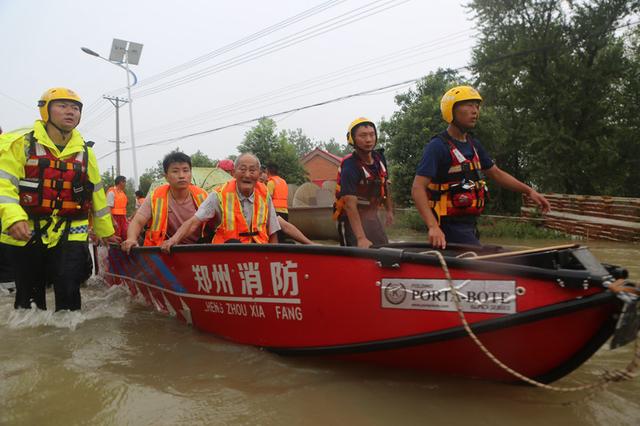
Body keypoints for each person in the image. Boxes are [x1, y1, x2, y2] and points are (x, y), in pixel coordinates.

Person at [0, 87, 118, 311]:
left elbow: (96, 193)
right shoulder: (20, 143)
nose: (70, 112)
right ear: (45, 111)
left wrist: (105, 231)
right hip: (27, 227)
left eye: (75, 108)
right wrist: (13, 218)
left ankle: (68, 337)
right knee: (30, 297)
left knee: (69, 286)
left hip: (71, 228)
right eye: (62, 106)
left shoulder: (85, 151)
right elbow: (3, 185)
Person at [411, 85, 551, 248]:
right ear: (451, 110)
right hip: (448, 227)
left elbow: (497, 174)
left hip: (469, 225)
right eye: (469, 105)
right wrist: (433, 227)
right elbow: (417, 188)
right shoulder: (437, 146)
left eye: (477, 106)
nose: (475, 111)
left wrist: (529, 191)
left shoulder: (474, 145)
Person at [161, 153, 281, 252]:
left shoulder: (264, 194)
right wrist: (174, 239)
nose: (247, 175)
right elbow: (194, 222)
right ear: (233, 173)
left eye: (252, 170)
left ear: (259, 174)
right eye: (242, 169)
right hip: (227, 254)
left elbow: (273, 231)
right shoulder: (218, 194)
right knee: (233, 245)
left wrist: (274, 257)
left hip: (259, 252)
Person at [121, 152, 209, 253]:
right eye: (175, 171)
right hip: (164, 251)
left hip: (199, 249)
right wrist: (131, 238)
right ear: (166, 176)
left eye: (186, 170)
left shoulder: (203, 196)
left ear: (190, 173)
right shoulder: (155, 196)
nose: (181, 176)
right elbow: (137, 221)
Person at [333, 117, 394, 248]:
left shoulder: (379, 158)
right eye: (363, 135)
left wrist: (389, 210)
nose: (368, 140)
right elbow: (349, 205)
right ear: (352, 139)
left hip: (371, 216)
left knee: (385, 251)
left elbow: (385, 185)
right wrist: (361, 238)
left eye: (372, 135)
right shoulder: (350, 166)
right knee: (354, 259)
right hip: (349, 219)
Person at [106, 175, 129, 240]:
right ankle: (115, 250)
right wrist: (113, 221)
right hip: (115, 218)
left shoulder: (122, 193)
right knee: (116, 237)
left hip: (123, 218)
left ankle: (123, 250)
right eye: (124, 182)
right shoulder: (111, 192)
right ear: (120, 182)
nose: (125, 184)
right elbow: (108, 209)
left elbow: (123, 209)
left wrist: (125, 219)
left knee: (125, 235)